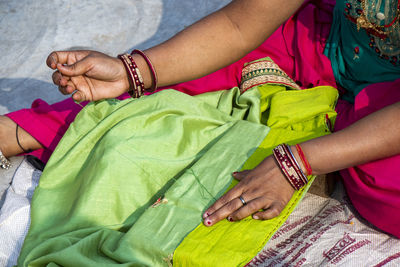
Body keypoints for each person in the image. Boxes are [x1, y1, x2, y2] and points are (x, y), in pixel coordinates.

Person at [1, 0, 400, 245]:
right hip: (318, 45)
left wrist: (301, 160)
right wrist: (131, 72)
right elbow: (239, 26)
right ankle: (25, 130)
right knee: (179, 79)